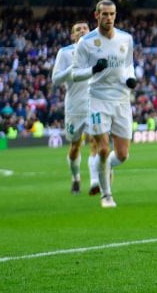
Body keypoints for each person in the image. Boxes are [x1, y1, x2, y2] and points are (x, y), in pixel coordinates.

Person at [72, 0, 137, 208]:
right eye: (104, 14)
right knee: (101, 148)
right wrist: (93, 70)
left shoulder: (126, 39)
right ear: (96, 15)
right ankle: (106, 195)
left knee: (122, 155)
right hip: (98, 99)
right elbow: (75, 74)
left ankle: (103, 166)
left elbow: (128, 65)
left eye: (112, 14)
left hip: (122, 100)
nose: (108, 18)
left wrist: (130, 78)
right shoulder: (86, 42)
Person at [51, 21, 100, 195]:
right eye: (77, 30)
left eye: (84, 28)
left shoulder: (97, 49)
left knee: (95, 141)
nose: (81, 31)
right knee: (75, 147)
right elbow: (55, 79)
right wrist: (72, 68)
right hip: (74, 107)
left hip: (94, 104)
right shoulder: (64, 53)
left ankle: (95, 182)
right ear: (72, 35)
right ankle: (76, 178)